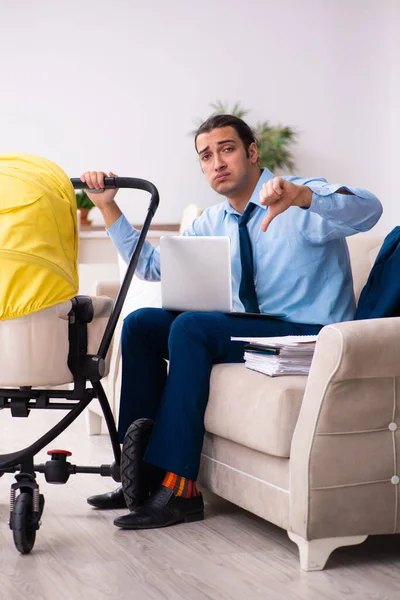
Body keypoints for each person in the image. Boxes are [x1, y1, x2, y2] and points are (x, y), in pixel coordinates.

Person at [82, 114, 382, 530]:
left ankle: (181, 489)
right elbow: (151, 267)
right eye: (206, 156)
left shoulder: (298, 199)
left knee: (191, 328)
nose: (217, 162)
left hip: (311, 333)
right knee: (141, 325)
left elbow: (369, 209)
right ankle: (137, 476)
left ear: (252, 152)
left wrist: (304, 197)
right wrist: (108, 205)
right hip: (257, 328)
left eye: (227, 149)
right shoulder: (212, 223)